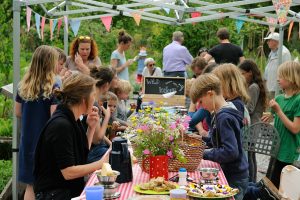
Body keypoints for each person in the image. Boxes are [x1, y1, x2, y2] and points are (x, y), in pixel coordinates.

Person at [34, 73, 110, 199]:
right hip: (54, 194)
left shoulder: (72, 119)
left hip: (65, 191)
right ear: (83, 99)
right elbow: (68, 172)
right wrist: (100, 163)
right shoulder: (61, 125)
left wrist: (91, 128)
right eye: (93, 96)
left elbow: (81, 153)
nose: (95, 101)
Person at [244, 61, 300, 200]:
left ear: (291, 78)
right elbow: (280, 116)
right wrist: (272, 115)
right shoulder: (280, 98)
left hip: (288, 152)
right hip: (277, 149)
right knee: (269, 184)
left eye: (281, 76)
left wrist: (278, 111)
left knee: (277, 189)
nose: (277, 79)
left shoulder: (298, 100)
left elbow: (295, 128)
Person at [190, 74, 249, 200]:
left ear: (210, 94)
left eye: (201, 101)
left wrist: (202, 153)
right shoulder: (218, 113)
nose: (200, 106)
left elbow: (230, 152)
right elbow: (216, 140)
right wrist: (196, 140)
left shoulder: (224, 117)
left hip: (234, 176)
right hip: (233, 172)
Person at [14, 45, 59, 200]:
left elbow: (17, 112)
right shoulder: (54, 87)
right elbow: (55, 117)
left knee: (30, 185)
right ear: (50, 63)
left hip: (27, 141)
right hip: (45, 142)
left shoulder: (24, 85)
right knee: (48, 185)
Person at [239, 59, 268, 182]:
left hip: (252, 127)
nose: (241, 77)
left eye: (242, 74)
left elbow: (249, 109)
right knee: (252, 155)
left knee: (250, 157)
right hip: (254, 126)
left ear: (250, 73)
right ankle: (253, 181)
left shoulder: (253, 87)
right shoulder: (255, 86)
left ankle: (250, 182)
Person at [86, 67, 115, 163]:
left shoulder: (92, 98)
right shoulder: (94, 103)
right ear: (106, 85)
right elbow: (97, 139)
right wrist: (107, 117)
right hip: (92, 152)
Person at [263, 32, 291, 100]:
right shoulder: (272, 52)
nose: (267, 42)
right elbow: (268, 68)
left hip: (278, 88)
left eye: (269, 40)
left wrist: (283, 88)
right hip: (270, 86)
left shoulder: (284, 53)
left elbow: (287, 71)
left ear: (276, 41)